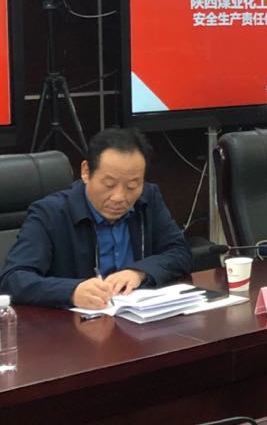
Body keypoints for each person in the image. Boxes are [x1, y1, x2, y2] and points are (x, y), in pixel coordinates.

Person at [0, 127, 190, 309]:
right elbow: (13, 279)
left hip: (138, 318)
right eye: (109, 184)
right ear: (86, 171)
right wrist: (72, 291)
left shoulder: (148, 199)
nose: (119, 197)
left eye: (132, 186)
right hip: (76, 325)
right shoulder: (50, 213)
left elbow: (180, 252)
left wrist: (139, 272)